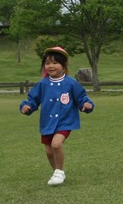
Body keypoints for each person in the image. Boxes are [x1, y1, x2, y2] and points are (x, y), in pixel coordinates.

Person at [20, 46, 95, 186]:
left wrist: (86, 105)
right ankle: (57, 172)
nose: (51, 66)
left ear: (64, 65)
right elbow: (33, 100)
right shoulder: (42, 84)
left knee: (56, 144)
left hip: (65, 121)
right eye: (47, 63)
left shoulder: (71, 83)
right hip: (47, 122)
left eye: (55, 63)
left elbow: (81, 98)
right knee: (49, 152)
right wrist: (27, 107)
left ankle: (59, 172)